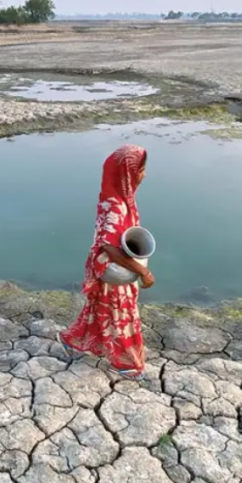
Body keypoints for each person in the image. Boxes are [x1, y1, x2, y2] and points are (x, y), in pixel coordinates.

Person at [57, 144, 154, 379]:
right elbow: (110, 248)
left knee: (98, 310)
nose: (144, 174)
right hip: (113, 270)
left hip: (113, 269)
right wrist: (142, 271)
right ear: (127, 172)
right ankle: (125, 364)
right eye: (140, 170)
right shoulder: (115, 206)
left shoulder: (120, 197)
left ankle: (73, 341)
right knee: (122, 315)